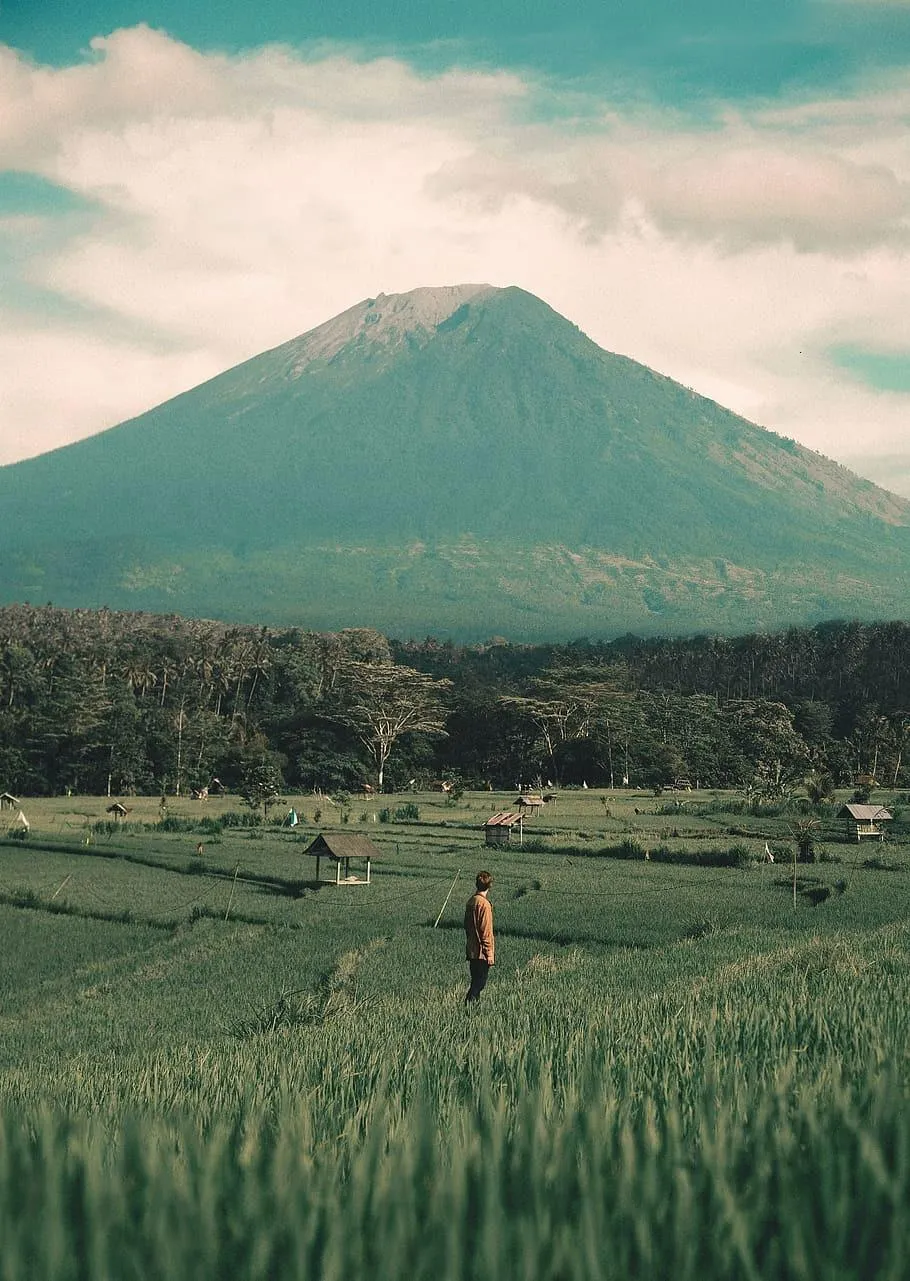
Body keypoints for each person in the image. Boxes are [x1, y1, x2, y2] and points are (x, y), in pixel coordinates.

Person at [464, 871, 495, 1003]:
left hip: (471, 949)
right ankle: (468, 1006)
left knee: (475, 980)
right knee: (479, 983)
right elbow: (486, 931)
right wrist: (489, 954)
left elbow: (466, 926)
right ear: (490, 885)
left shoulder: (471, 901)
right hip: (481, 952)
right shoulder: (484, 905)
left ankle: (472, 1009)